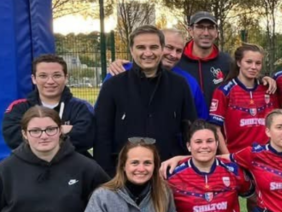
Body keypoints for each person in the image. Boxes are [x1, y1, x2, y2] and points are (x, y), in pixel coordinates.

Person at [93, 25, 198, 175]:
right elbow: (102, 134)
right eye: (141, 47)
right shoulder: (113, 85)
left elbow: (190, 129)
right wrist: (106, 175)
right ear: (131, 50)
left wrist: (188, 167)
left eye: (153, 47)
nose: (148, 53)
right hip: (124, 173)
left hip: (167, 171)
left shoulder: (180, 85)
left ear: (161, 49)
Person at [2, 54, 96, 155]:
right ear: (34, 79)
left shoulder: (81, 107)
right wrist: (62, 130)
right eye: (43, 76)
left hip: (73, 163)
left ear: (66, 78)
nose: (50, 81)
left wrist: (36, 134)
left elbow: (85, 139)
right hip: (29, 164)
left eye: (57, 75)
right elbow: (13, 139)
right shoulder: (19, 108)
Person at [105, 28, 209, 119]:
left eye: (178, 51)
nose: (173, 55)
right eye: (169, 47)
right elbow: (103, 119)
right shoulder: (119, 71)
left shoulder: (189, 82)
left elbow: (200, 122)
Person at [210, 44, 275, 154]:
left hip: (266, 156)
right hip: (236, 156)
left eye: (258, 63)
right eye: (249, 62)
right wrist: (228, 157)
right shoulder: (224, 91)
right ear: (239, 62)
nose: (253, 67)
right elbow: (215, 128)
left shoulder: (268, 89)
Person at [177, 11, 234, 104]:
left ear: (216, 32)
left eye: (211, 28)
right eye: (200, 27)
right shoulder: (177, 60)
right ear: (190, 31)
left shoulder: (227, 62)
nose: (206, 33)